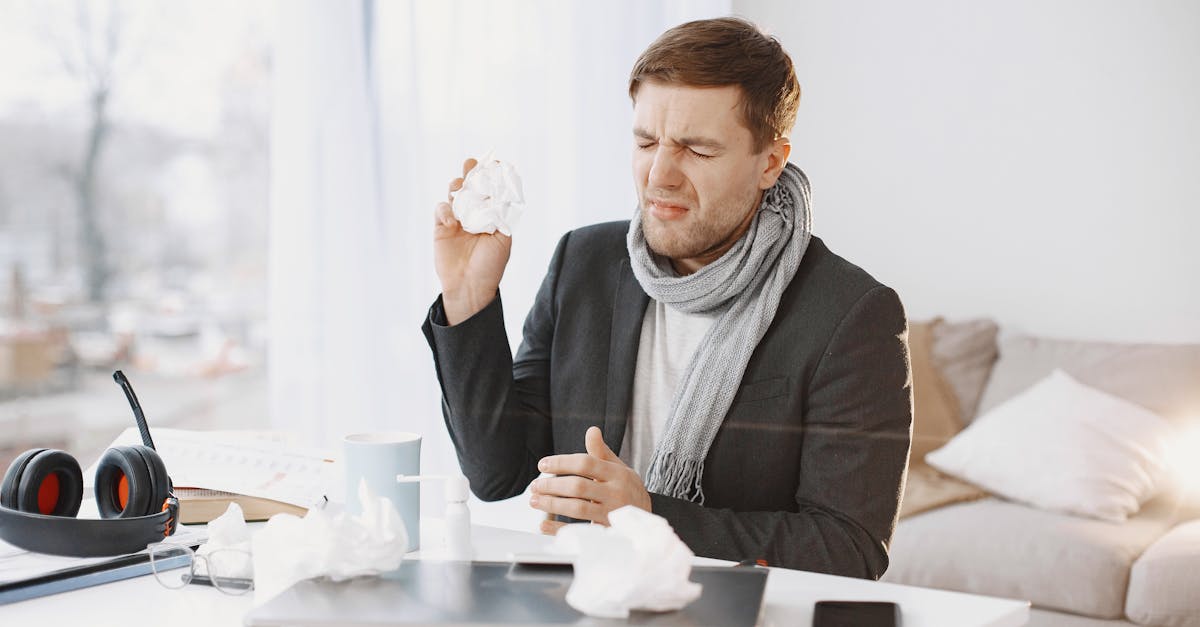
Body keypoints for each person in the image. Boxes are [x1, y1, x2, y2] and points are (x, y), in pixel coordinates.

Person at [421, 16, 911, 578]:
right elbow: (496, 472)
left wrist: (650, 517)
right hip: (587, 599)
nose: (660, 174)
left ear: (770, 163)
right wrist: (467, 296)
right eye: (646, 141)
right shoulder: (584, 263)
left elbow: (850, 549)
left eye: (697, 150)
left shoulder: (852, 315)